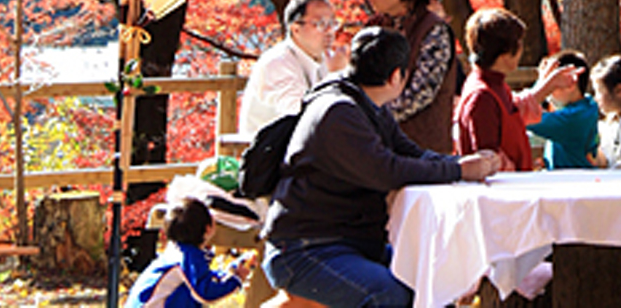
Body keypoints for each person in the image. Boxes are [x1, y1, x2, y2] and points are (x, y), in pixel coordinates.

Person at [261, 26, 500, 308]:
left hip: (349, 242)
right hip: (304, 249)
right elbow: (388, 171)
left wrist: (464, 164)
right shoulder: (337, 111)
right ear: (396, 76)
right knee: (389, 296)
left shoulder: (364, 103)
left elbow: (409, 153)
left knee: (432, 281)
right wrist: (460, 171)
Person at [456, 8, 581, 171]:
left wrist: (547, 86)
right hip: (500, 193)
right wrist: (518, 170)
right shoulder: (482, 96)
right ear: (504, 56)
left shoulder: (494, 84)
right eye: (519, 45)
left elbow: (513, 113)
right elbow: (487, 159)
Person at [360, 0, 456, 152]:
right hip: (375, 151)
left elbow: (419, 94)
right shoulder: (373, 27)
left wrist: (365, 115)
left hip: (423, 154)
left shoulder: (433, 30)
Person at [239, 0, 348, 136]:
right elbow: (304, 119)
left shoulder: (322, 58)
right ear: (295, 28)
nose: (329, 31)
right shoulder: (277, 63)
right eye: (320, 24)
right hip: (271, 153)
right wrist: (336, 76)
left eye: (332, 23)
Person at [125, 197, 254, 307]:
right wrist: (236, 281)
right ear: (208, 229)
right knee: (190, 294)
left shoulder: (177, 251)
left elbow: (202, 277)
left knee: (186, 290)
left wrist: (229, 272)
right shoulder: (189, 256)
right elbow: (205, 293)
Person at [527, 51, 600, 169]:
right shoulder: (587, 107)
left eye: (550, 85)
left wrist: (538, 86)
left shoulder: (573, 119)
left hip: (574, 181)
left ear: (570, 84)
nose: (546, 93)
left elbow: (524, 113)